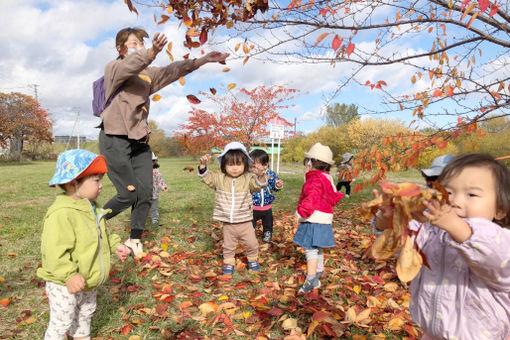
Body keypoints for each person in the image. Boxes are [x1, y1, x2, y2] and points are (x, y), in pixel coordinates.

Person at [98, 27, 229, 256]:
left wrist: (201, 61)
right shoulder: (114, 68)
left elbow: (171, 71)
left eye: (141, 43)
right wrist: (150, 52)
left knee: (147, 193)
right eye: (134, 44)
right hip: (114, 138)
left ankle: (134, 239)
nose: (139, 47)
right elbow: (130, 66)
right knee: (129, 193)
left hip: (139, 141)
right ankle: (91, 221)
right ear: (120, 48)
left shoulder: (147, 74)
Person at [372, 153, 510, 339]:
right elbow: (403, 248)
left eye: (472, 194)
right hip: (432, 331)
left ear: (500, 209)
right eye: (448, 192)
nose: (455, 202)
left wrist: (456, 226)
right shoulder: (431, 231)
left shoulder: (501, 240)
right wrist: (389, 221)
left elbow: (495, 257)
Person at [37, 149, 131, 340]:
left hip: (88, 278)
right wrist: (69, 275)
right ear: (73, 182)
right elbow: (54, 252)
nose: (101, 186)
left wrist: (115, 245)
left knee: (85, 314)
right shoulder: (62, 213)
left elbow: (102, 233)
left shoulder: (92, 207)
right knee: (62, 322)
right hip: (64, 282)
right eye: (96, 180)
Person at [198, 142, 268, 275]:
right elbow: (206, 177)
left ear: (245, 165)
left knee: (252, 243)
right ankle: (229, 263)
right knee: (228, 246)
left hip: (245, 222)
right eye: (230, 164)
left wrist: (260, 175)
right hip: (228, 223)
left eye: (238, 164)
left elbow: (259, 184)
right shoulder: (220, 178)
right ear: (224, 165)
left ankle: (253, 259)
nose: (235, 168)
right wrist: (202, 165)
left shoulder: (248, 178)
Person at [294, 143, 344, 293]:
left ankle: (310, 278)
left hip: (313, 220)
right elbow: (331, 198)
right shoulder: (327, 179)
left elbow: (311, 200)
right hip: (324, 221)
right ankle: (318, 273)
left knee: (310, 249)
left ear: (311, 163)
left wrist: (300, 213)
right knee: (318, 248)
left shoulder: (314, 180)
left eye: (306, 161)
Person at [249, 149, 284, 243]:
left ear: (265, 165)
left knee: (268, 224)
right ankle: (250, 236)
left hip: (267, 207)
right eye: (252, 166)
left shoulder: (270, 174)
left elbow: (275, 187)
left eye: (256, 166)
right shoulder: (249, 175)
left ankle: (267, 234)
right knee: (250, 224)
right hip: (252, 206)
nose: (253, 169)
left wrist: (278, 185)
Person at [150, 152, 167, 224]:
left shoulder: (156, 172)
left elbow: (160, 180)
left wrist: (163, 186)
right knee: (143, 206)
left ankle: (154, 218)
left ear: (154, 162)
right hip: (143, 193)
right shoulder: (141, 171)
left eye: (150, 161)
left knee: (154, 207)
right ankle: (142, 217)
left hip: (154, 193)